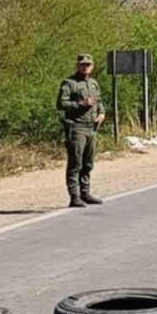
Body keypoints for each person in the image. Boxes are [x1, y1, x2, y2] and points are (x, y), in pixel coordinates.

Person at [56, 54, 106, 207]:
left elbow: (99, 101)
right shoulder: (69, 83)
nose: (85, 67)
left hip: (91, 128)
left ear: (92, 66)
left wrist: (102, 113)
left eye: (88, 64)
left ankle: (85, 193)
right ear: (77, 66)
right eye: (83, 64)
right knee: (75, 163)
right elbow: (61, 104)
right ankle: (74, 196)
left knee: (88, 163)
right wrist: (81, 103)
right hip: (77, 127)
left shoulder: (93, 83)